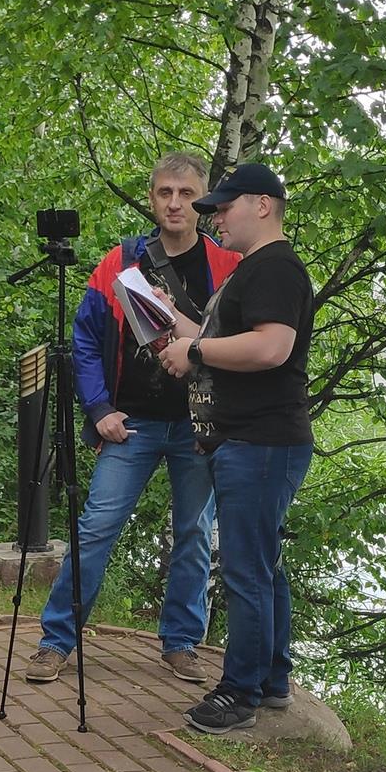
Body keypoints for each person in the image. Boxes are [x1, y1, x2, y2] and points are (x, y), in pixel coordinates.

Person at [25, 152, 242, 684]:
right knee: (96, 527)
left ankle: (181, 642)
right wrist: (99, 408)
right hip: (132, 425)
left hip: (197, 426)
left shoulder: (227, 266)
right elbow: (84, 338)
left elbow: (240, 344)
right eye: (165, 192)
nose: (175, 203)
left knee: (195, 533)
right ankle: (56, 640)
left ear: (203, 201)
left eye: (187, 194)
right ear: (151, 198)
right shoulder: (120, 263)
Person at [157, 160, 314, 733]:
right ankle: (271, 680)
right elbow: (221, 336)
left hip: (261, 442)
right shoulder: (256, 268)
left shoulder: (275, 268)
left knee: (247, 571)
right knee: (263, 566)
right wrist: (172, 320)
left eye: (224, 207)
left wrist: (195, 352)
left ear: (262, 206)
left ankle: (239, 693)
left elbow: (271, 348)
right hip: (252, 441)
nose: (216, 217)